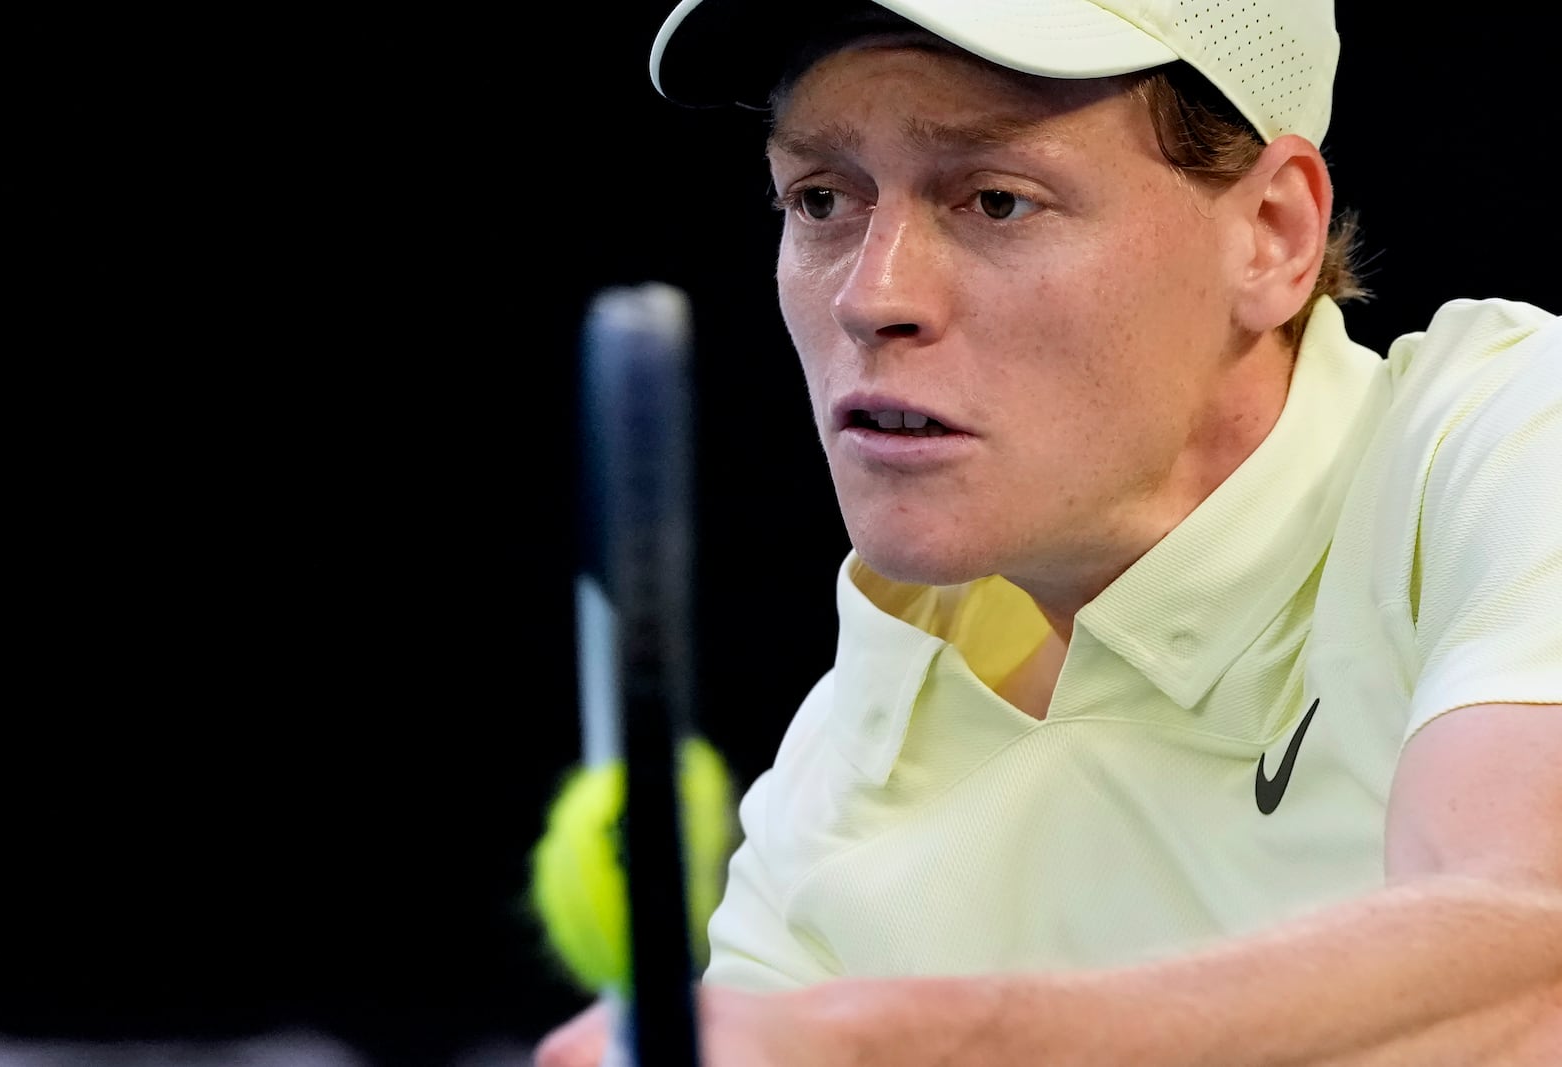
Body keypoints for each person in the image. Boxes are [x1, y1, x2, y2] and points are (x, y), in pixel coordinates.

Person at [538, 1, 1561, 1063]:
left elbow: (1534, 960)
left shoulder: (1509, 435)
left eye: (995, 198)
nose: (870, 296)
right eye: (822, 197)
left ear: (1272, 236)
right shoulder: (831, 796)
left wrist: (901, 1038)